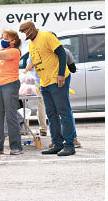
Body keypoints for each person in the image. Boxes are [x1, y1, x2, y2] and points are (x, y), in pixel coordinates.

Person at [19, 20, 77, 156]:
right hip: (45, 83)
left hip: (57, 80)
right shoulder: (32, 45)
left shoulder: (46, 37)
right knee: (51, 114)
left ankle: (69, 144)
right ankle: (57, 143)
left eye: (25, 31)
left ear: (32, 29)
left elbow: (62, 53)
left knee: (63, 112)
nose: (24, 35)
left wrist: (61, 74)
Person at [23, 46, 81, 147]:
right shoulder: (64, 51)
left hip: (45, 82)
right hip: (58, 83)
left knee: (51, 112)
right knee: (64, 112)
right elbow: (73, 68)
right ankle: (71, 139)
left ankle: (54, 138)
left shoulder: (37, 50)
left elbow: (29, 66)